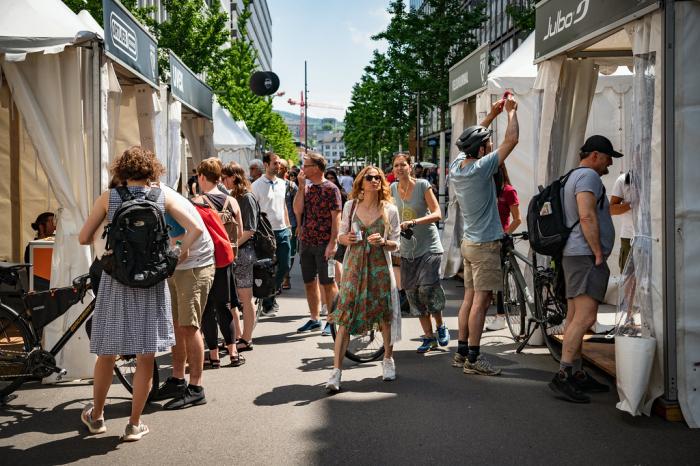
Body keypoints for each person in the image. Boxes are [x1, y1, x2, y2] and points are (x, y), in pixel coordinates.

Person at [78, 146, 201, 441]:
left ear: (121, 170)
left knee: (107, 354)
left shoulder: (109, 198)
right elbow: (196, 228)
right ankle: (134, 425)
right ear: (152, 170)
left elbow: (83, 237)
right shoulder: (161, 196)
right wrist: (176, 254)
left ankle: (97, 417)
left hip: (116, 281)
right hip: (151, 282)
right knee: (146, 356)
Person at [448, 95, 519, 377]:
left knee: (469, 299)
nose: (491, 146)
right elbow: (512, 141)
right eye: (487, 144)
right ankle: (474, 359)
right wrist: (510, 113)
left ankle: (461, 352)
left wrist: (490, 116)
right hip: (486, 244)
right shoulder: (481, 169)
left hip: (469, 242)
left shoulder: (457, 167)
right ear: (481, 150)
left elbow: (473, 141)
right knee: (482, 301)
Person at [550, 135, 622, 403]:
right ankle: (564, 374)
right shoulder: (588, 177)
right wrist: (598, 252)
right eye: (608, 158)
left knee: (574, 315)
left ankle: (576, 372)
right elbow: (586, 215)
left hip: (574, 254)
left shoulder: (571, 176)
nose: (610, 164)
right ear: (594, 155)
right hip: (584, 255)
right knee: (585, 317)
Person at [325, 166, 401, 392]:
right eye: (369, 177)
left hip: (379, 268)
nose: (374, 180)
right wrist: (346, 238)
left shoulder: (390, 209)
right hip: (354, 268)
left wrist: (384, 242)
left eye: (378, 177)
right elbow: (340, 236)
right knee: (344, 318)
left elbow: (397, 243)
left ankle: (388, 359)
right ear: (361, 181)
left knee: (384, 315)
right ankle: (336, 372)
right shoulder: (351, 206)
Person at [151, 184, 216, 409]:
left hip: (194, 266)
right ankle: (178, 379)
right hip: (182, 266)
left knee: (189, 326)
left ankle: (196, 388)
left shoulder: (162, 200)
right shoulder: (157, 194)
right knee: (177, 325)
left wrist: (169, 259)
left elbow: (185, 245)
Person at [391, 153, 448, 353]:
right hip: (407, 250)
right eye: (396, 165)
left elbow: (438, 213)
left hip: (429, 246)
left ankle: (440, 325)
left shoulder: (423, 185)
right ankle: (429, 337)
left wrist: (414, 222)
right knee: (413, 294)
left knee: (427, 289)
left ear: (410, 166)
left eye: (403, 164)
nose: (399, 168)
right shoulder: (392, 189)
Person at [193, 158, 245, 369]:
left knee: (207, 310)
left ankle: (213, 356)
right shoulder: (231, 201)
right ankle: (233, 353)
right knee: (225, 307)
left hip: (204, 260)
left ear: (202, 177)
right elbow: (239, 233)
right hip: (225, 261)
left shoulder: (197, 202)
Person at [293, 152, 341, 335]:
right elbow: (297, 210)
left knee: (328, 283)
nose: (302, 169)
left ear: (316, 168)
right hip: (307, 242)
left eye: (306, 165)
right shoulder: (306, 188)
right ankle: (314, 319)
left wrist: (333, 243)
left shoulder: (331, 189)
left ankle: (332, 320)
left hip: (324, 243)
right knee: (309, 282)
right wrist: (300, 187)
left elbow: (336, 218)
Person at [222, 162, 258, 352]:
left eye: (225, 178)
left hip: (244, 252)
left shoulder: (246, 197)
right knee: (233, 297)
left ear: (234, 177)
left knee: (245, 297)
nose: (222, 181)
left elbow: (250, 229)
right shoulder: (233, 196)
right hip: (236, 251)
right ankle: (236, 335)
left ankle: (247, 338)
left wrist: (232, 246)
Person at [251, 152, 292, 315]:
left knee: (285, 265)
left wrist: (288, 226)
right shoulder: (256, 186)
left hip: (282, 230)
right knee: (267, 268)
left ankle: (269, 296)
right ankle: (268, 302)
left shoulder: (283, 183)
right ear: (266, 164)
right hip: (265, 233)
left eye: (279, 163)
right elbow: (253, 211)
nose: (278, 166)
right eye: (275, 163)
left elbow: (283, 206)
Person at [486, 164, 522, 331]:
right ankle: (496, 315)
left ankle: (501, 316)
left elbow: (517, 219)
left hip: (502, 240)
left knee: (500, 281)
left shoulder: (508, 191)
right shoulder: (487, 191)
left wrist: (504, 234)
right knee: (489, 280)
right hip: (487, 240)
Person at [279, 160, 298, 290]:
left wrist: (299, 225)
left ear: (285, 170)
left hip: (291, 223)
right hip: (275, 224)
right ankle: (280, 277)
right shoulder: (269, 184)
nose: (278, 169)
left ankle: (286, 276)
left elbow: (298, 207)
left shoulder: (291, 186)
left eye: (281, 167)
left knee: (290, 252)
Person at [610, 172, 634, 272]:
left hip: (656, 236)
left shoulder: (657, 175)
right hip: (629, 237)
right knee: (628, 276)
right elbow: (611, 209)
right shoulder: (623, 179)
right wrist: (632, 203)